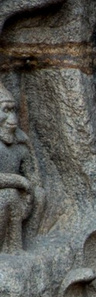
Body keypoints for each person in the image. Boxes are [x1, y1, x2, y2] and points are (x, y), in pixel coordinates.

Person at [0, 81, 35, 251]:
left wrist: (30, 187)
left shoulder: (20, 140)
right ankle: (11, 248)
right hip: (7, 194)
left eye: (13, 110)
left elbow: (34, 176)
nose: (12, 120)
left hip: (17, 196)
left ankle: (22, 245)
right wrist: (19, 181)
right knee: (8, 196)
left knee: (40, 195)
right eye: (5, 110)